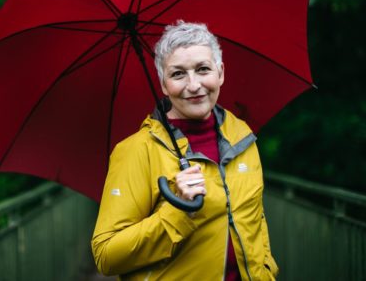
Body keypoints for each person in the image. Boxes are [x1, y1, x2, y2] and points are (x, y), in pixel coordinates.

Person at [91, 21, 279, 280]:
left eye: (203, 69)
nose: (193, 85)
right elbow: (106, 256)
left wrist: (267, 272)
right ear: (164, 84)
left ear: (220, 72)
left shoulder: (242, 137)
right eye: (178, 74)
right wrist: (177, 211)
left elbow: (255, 220)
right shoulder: (136, 150)